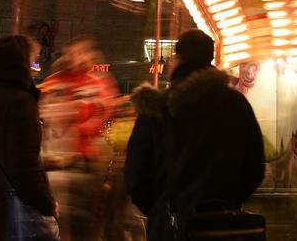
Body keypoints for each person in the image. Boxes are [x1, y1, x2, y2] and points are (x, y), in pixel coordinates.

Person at [125, 29, 265, 241]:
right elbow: (255, 168)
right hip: (225, 229)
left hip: (171, 228)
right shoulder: (237, 105)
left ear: (178, 60)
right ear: (210, 59)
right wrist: (227, 203)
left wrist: (161, 210)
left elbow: (137, 176)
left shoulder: (157, 108)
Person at [0, 35, 58, 241]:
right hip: (11, 213)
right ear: (18, 63)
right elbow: (24, 167)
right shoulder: (20, 103)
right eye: (31, 60)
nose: (33, 66)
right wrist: (47, 203)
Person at [39, 37, 119, 240]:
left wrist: (78, 127)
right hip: (55, 161)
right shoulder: (53, 82)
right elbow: (41, 113)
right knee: (56, 221)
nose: (73, 57)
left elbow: (103, 112)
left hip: (85, 161)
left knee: (83, 222)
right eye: (70, 52)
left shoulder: (97, 82)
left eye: (79, 52)